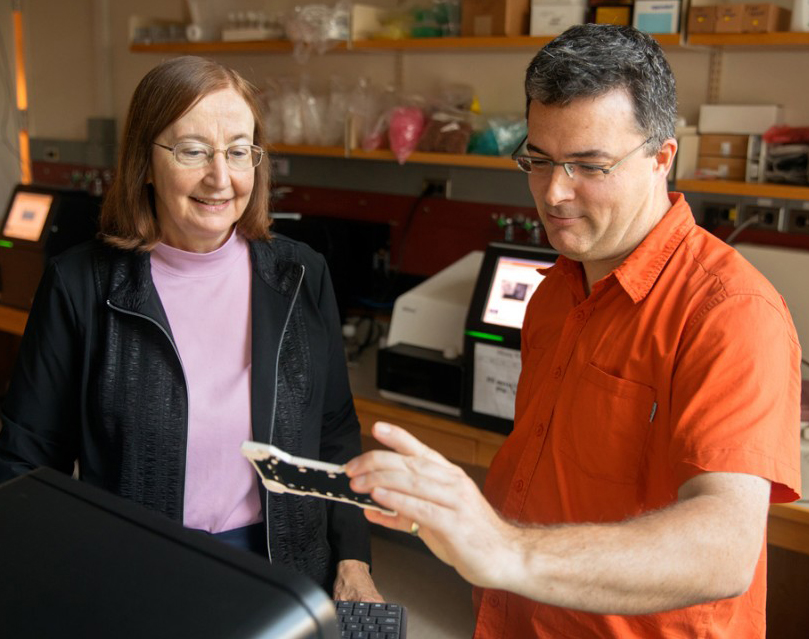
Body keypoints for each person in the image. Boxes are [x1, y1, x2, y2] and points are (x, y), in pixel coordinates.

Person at [345, 24, 802, 637]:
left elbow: (725, 547)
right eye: (538, 160)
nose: (554, 193)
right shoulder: (557, 288)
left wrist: (507, 550)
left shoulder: (730, 311)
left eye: (589, 165)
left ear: (661, 158)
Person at [0, 56, 381, 602]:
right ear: (145, 164)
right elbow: (27, 459)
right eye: (193, 150)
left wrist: (352, 557)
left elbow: (334, 431)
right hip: (138, 573)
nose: (220, 178)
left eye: (238, 151)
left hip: (288, 569)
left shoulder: (300, 274)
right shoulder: (80, 284)